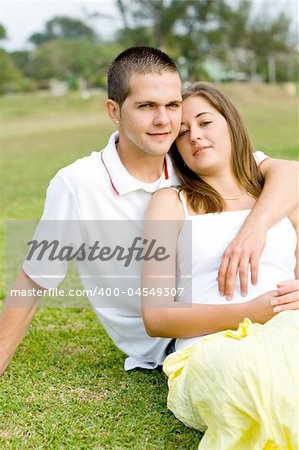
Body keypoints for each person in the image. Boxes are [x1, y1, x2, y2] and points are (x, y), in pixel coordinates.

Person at [0, 47, 298, 376]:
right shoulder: (79, 184)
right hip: (170, 340)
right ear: (114, 111)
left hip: (247, 317)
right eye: (146, 106)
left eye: (172, 105)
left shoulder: (193, 155)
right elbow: (33, 280)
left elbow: (288, 174)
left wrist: (253, 229)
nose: (163, 120)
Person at [141, 82, 298, 449]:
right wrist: (249, 312)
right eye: (182, 132)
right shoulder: (170, 203)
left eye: (205, 122)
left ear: (231, 124)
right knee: (251, 384)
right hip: (211, 347)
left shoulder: (278, 196)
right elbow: (156, 316)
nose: (195, 136)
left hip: (288, 329)